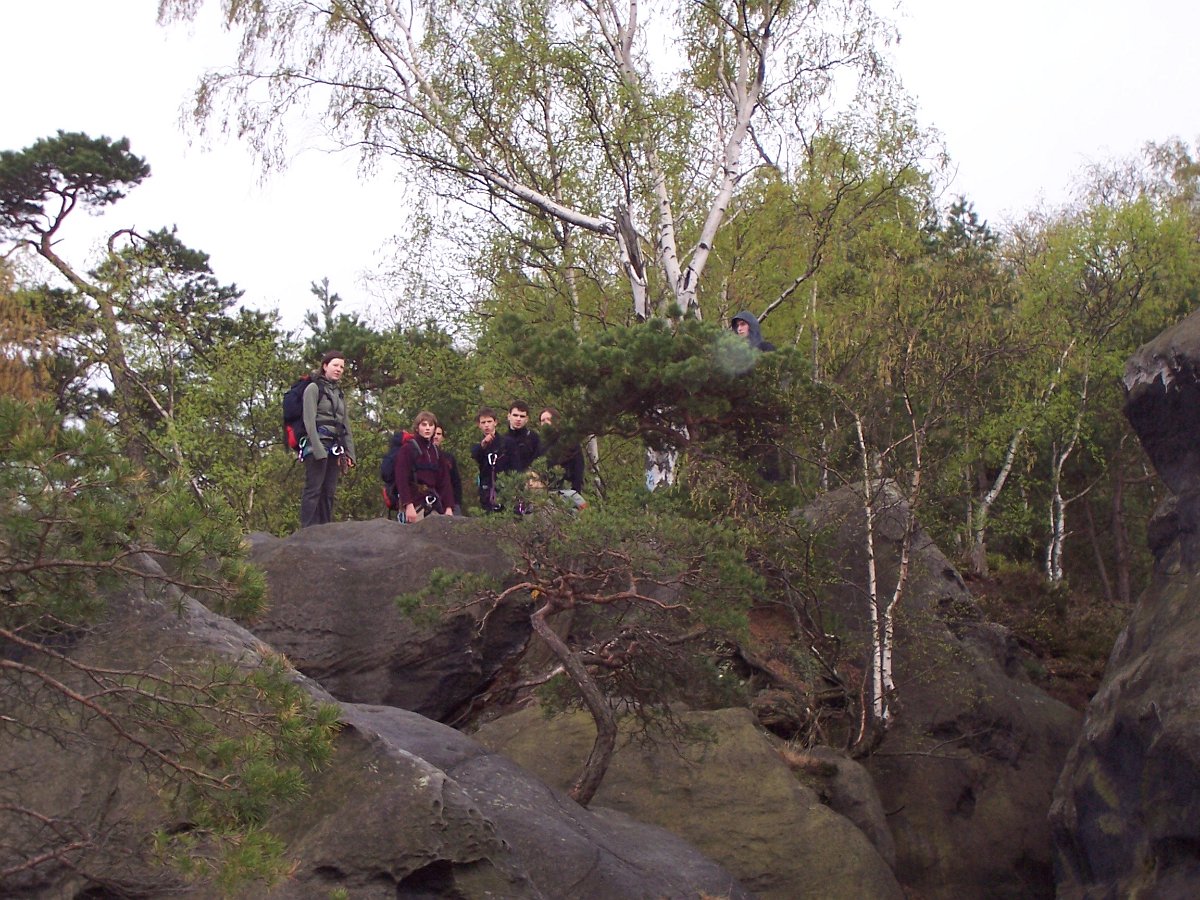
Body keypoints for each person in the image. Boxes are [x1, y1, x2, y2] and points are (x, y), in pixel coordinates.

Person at [300, 350, 356, 528]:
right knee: (313, 489)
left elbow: (345, 425)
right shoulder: (313, 388)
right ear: (325, 366)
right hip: (317, 445)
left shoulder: (339, 393)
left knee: (329, 492)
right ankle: (308, 530)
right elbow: (309, 421)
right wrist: (318, 450)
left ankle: (326, 530)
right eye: (335, 365)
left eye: (342, 367)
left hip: (335, 447)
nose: (339, 369)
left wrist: (350, 453)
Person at [395, 410, 455, 523]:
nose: (427, 428)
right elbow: (401, 479)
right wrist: (408, 505)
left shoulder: (436, 452)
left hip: (434, 504)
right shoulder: (407, 449)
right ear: (417, 428)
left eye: (431, 425)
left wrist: (448, 507)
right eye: (424, 425)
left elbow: (445, 481)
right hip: (414, 505)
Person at [538, 407, 585, 494]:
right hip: (546, 492)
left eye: (548, 419)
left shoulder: (569, 442)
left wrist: (575, 493)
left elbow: (578, 470)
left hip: (567, 492)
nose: (545, 422)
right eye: (542, 420)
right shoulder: (540, 445)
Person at [470, 407, 504, 513]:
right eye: (483, 422)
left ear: (495, 422)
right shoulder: (477, 444)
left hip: (502, 484)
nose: (486, 425)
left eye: (489, 422)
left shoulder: (504, 442)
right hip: (486, 486)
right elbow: (475, 455)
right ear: (479, 425)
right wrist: (483, 444)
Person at [498, 400, 542, 473]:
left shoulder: (533, 438)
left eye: (522, 416)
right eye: (515, 415)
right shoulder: (502, 441)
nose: (518, 419)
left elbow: (539, 462)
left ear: (527, 419)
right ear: (509, 416)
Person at [433, 424, 465, 515]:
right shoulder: (421, 456)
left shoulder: (449, 458)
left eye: (439, 434)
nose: (436, 437)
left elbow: (456, 482)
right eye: (434, 434)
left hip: (450, 503)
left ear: (442, 438)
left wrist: (456, 503)